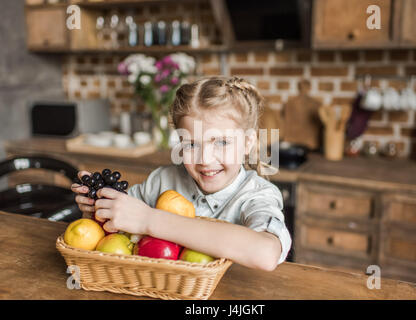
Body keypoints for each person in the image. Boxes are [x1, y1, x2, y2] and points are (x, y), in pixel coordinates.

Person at [71, 76, 291, 271]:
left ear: (248, 143)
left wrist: (150, 220)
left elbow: (265, 253)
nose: (205, 159)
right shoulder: (162, 180)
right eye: (191, 144)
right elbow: (120, 235)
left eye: (222, 142)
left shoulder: (258, 195)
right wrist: (99, 212)